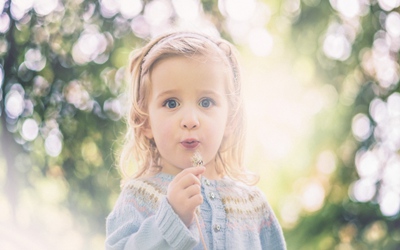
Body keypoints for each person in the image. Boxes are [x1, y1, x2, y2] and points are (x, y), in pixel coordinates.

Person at [105, 31, 286, 250]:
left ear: (230, 119)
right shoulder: (138, 197)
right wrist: (171, 219)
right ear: (145, 122)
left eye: (206, 102)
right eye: (171, 103)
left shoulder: (253, 205)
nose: (190, 120)